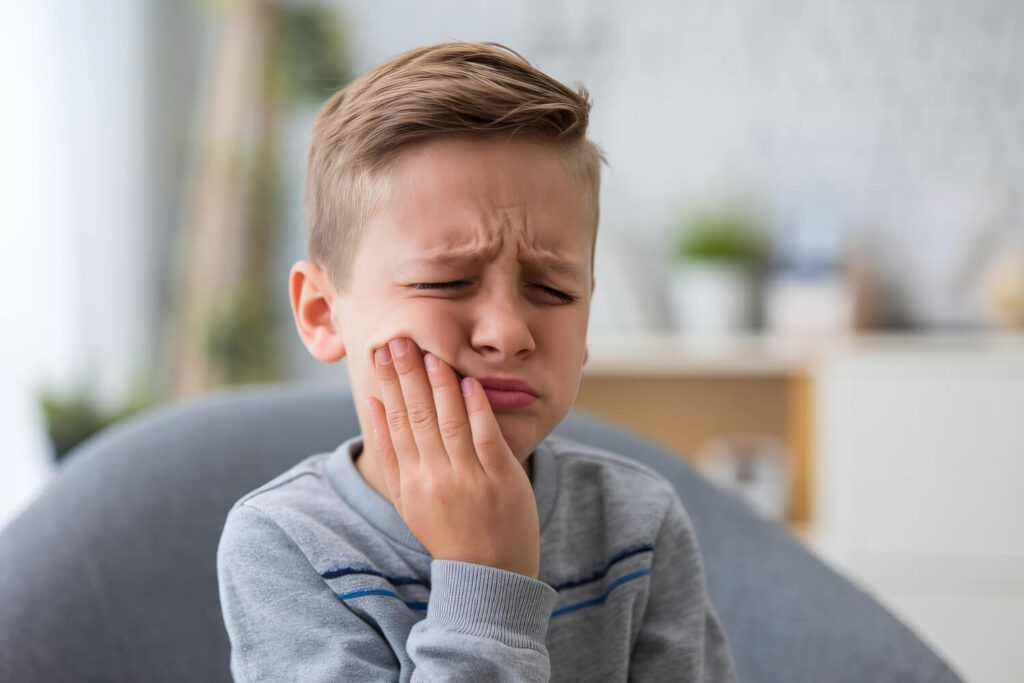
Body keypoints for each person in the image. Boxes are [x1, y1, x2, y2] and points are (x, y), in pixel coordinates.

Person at [216, 39, 736, 682]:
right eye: (446, 282)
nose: (508, 332)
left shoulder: (637, 523)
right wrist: (486, 584)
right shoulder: (287, 543)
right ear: (323, 314)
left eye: (554, 291)